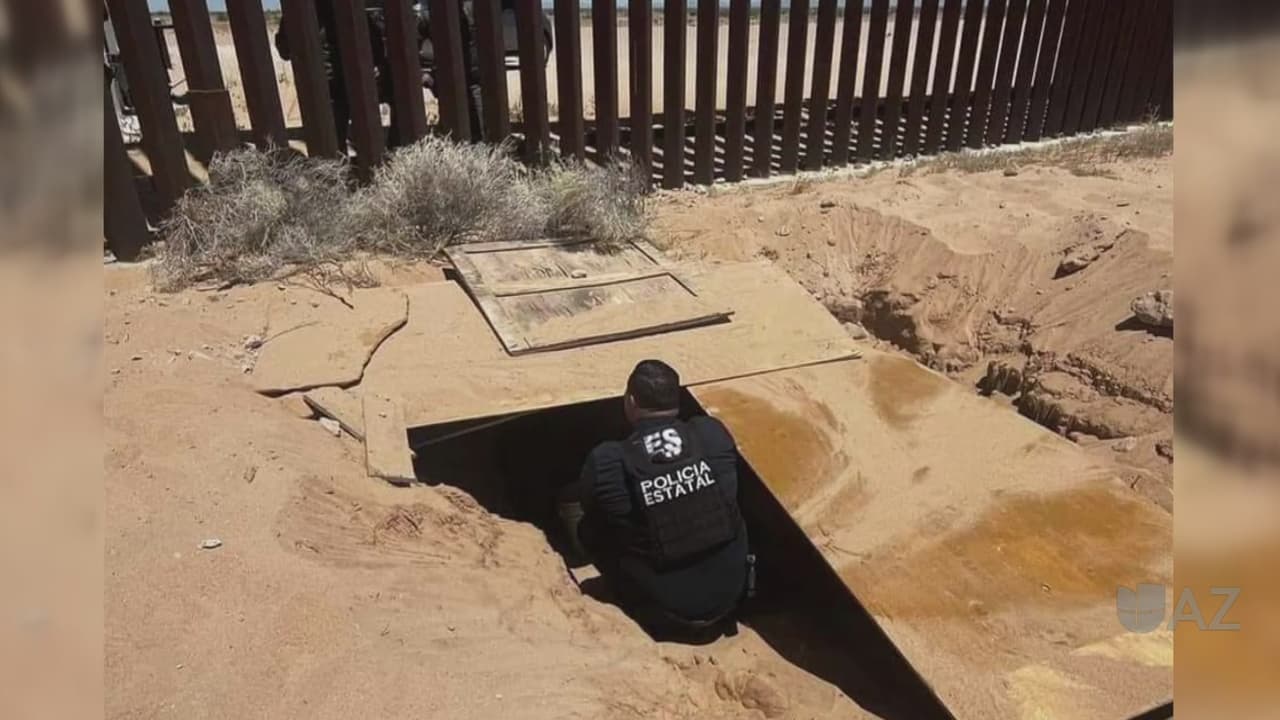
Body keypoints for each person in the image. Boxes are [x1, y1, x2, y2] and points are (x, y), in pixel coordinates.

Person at [558, 360, 752, 639]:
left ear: (631, 401)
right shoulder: (711, 433)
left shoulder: (608, 460)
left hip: (665, 613)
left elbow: (596, 518)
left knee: (580, 512)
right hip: (731, 595)